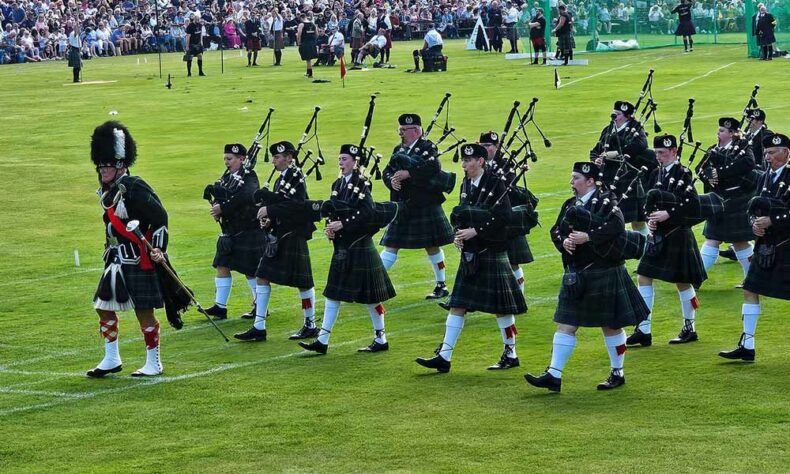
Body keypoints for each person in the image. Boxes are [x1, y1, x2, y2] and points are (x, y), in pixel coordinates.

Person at [524, 162, 649, 392]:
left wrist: (588, 237)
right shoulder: (570, 204)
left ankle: (617, 372)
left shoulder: (605, 202)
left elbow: (617, 227)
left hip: (604, 271)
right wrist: (564, 241)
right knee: (566, 324)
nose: (572, 183)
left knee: (611, 326)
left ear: (590, 180)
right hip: (577, 272)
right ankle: (554, 375)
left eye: (576, 178)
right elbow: (556, 230)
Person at [87, 121, 189, 378]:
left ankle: (153, 362)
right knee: (103, 306)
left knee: (144, 311)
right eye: (100, 164)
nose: (102, 169)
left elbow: (160, 217)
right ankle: (112, 358)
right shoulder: (108, 191)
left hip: (137, 259)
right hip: (115, 259)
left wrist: (159, 248)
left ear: (120, 164)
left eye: (107, 164)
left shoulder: (135, 185)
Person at [416, 144, 526, 372]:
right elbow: (462, 211)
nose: (464, 165)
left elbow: (504, 216)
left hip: (492, 251)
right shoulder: (466, 182)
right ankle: (444, 356)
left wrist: (477, 231)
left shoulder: (495, 183)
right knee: (457, 305)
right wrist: (459, 233)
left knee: (502, 309)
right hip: (471, 254)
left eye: (468, 161)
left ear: (481, 161)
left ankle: (511, 352)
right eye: (463, 161)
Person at [299, 145, 397, 355]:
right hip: (343, 246)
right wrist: (331, 228)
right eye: (340, 159)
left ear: (355, 162)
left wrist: (344, 224)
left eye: (344, 159)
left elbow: (368, 212)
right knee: (333, 294)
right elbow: (335, 211)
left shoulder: (361, 184)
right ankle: (323, 340)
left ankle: (381, 338)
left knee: (371, 298)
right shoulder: (338, 184)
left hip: (359, 246)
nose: (340, 163)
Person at [234, 141, 318, 342]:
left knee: (303, 283)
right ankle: (259, 326)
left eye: (278, 157)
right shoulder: (283, 178)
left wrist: (269, 209)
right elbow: (283, 203)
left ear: (289, 157)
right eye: (273, 157)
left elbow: (297, 205)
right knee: (262, 275)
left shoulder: (295, 176)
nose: (274, 161)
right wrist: (270, 218)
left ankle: (310, 324)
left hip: (293, 235)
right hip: (279, 235)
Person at [629, 135, 707, 347]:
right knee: (644, 276)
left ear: (674, 151)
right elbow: (649, 201)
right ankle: (643, 329)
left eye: (662, 153)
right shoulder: (656, 173)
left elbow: (693, 207)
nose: (659, 157)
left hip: (678, 234)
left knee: (682, 282)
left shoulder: (683, 174)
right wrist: (651, 219)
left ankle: (690, 327)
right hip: (659, 236)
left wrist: (668, 215)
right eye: (656, 153)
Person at [719, 133, 790, 361]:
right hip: (767, 245)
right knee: (750, 289)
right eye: (766, 153)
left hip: (787, 245)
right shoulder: (765, 175)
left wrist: (773, 220)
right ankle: (747, 345)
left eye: (771, 153)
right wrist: (754, 225)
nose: (767, 158)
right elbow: (753, 205)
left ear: (786, 151)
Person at [380, 114, 455, 300]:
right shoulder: (399, 149)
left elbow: (433, 168)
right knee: (391, 244)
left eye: (404, 130)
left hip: (424, 204)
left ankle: (441, 285)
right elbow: (387, 170)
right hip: (403, 204)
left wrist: (408, 173)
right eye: (400, 130)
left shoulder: (427, 147)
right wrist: (392, 181)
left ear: (416, 130)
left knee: (432, 246)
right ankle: (372, 283)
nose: (401, 133)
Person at [203, 144, 262, 321]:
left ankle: (260, 304)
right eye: (225, 159)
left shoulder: (249, 176)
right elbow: (225, 196)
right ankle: (220, 307)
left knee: (250, 270)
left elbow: (247, 197)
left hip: (248, 230)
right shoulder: (228, 176)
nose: (226, 162)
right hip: (230, 230)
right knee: (222, 265)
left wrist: (223, 208)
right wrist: (216, 204)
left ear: (242, 159)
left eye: (230, 159)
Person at [696, 117, 756, 285]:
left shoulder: (742, 147)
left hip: (737, 200)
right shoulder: (713, 149)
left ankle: (751, 279)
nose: (718, 133)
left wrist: (718, 173)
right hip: (718, 200)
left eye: (722, 131)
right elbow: (700, 168)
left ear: (732, 133)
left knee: (739, 241)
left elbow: (748, 163)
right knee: (712, 237)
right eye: (719, 130)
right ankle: (696, 277)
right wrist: (708, 175)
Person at [478, 131, 536, 294]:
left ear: (497, 147)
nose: (485, 149)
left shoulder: (506, 164)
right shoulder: (479, 163)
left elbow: (508, 187)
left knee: (512, 261)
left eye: (488, 146)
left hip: (504, 216)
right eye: (482, 146)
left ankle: (520, 295)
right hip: (484, 214)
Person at [589, 101, 652, 235]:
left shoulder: (635, 128)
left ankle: (646, 249)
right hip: (608, 180)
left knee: (637, 221)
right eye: (614, 113)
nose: (614, 116)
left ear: (627, 116)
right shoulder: (608, 129)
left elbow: (641, 145)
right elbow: (595, 150)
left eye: (618, 114)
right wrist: (596, 160)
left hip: (629, 180)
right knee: (614, 218)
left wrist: (618, 154)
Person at [296, 13, 318, 77]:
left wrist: (299, 42)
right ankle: (308, 72)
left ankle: (310, 73)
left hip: (305, 42)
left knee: (308, 59)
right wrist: (314, 41)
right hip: (312, 43)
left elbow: (299, 34)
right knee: (308, 59)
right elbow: (317, 34)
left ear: (301, 18)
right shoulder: (313, 24)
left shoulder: (302, 24)